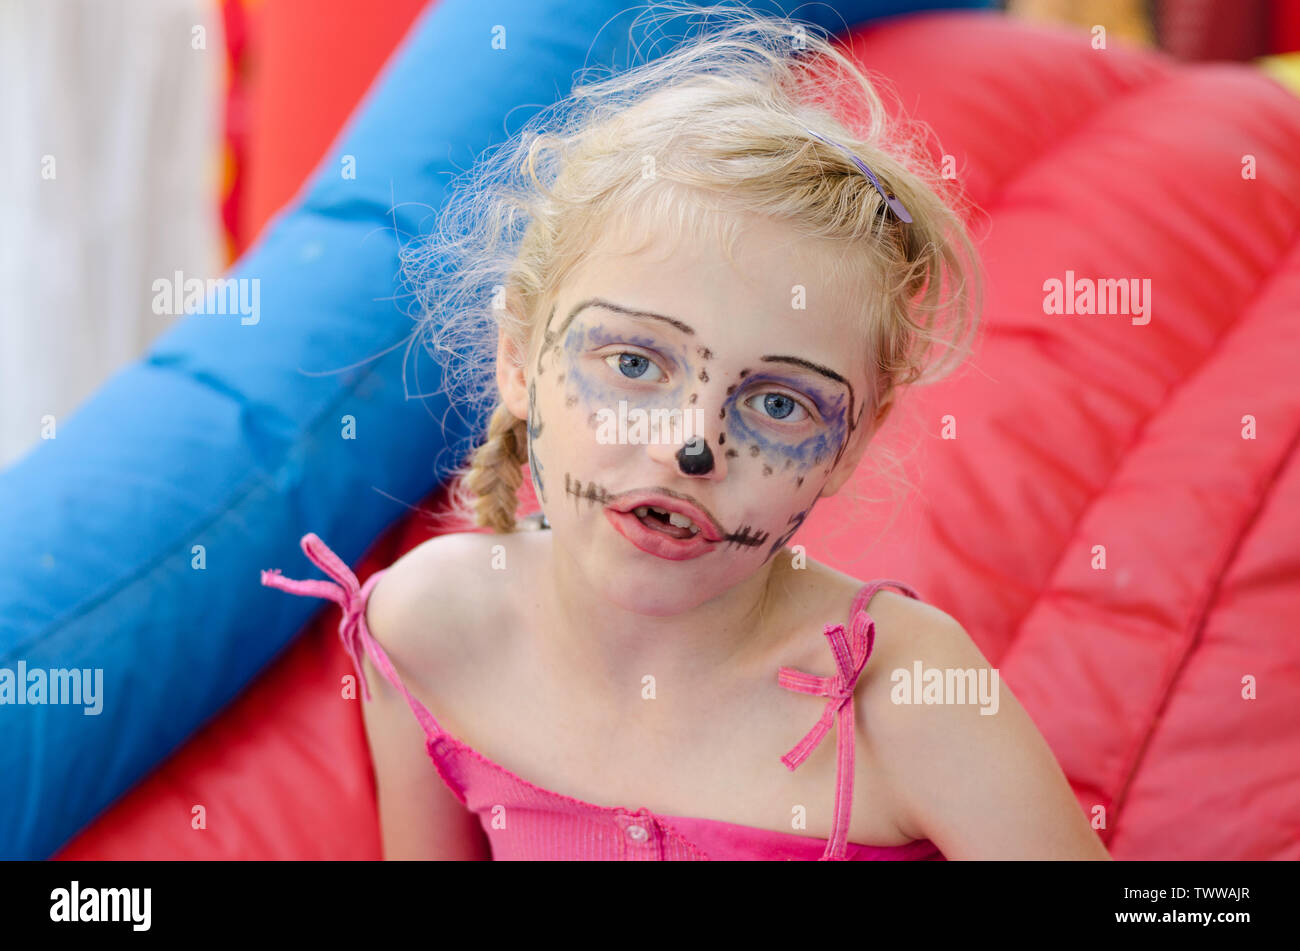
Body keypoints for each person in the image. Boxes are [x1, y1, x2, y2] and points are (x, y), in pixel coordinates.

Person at [263, 2, 1111, 861]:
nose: (689, 444)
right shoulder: (430, 627)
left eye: (779, 403)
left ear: (851, 444)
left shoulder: (906, 696)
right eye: (634, 363)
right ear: (520, 359)